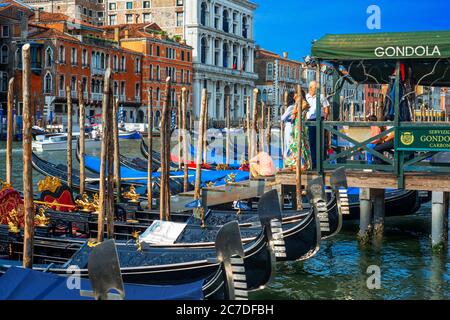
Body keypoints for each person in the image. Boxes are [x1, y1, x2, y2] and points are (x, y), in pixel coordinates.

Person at [284, 90, 312, 170]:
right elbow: (293, 114)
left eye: (295, 94)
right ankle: (296, 163)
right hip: (296, 125)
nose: (293, 96)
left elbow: (296, 112)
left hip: (300, 125)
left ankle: (303, 164)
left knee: (301, 143)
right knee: (294, 144)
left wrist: (296, 105)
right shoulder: (298, 103)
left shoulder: (304, 103)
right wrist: (296, 104)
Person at [305, 80, 330, 168]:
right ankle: (313, 162)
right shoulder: (306, 97)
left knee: (320, 141)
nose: (317, 89)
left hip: (319, 120)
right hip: (309, 121)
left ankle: (321, 162)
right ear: (311, 88)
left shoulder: (321, 96)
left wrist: (325, 118)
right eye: (315, 88)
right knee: (311, 142)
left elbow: (326, 108)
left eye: (317, 88)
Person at [280, 92, 296, 158]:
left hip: (289, 125)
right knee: (290, 142)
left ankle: (287, 157)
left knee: (289, 142)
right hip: (291, 125)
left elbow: (282, 118)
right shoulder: (293, 106)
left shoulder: (291, 107)